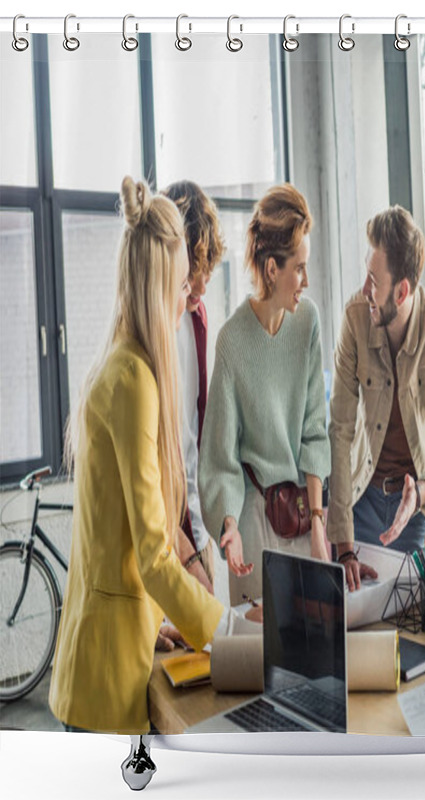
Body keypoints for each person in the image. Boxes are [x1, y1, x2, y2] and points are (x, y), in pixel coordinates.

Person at [49, 177, 257, 734]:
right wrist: (229, 630)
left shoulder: (115, 364)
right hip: (107, 683)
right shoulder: (136, 379)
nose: (187, 295)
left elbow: (118, 547)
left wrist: (153, 618)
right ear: (160, 281)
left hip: (100, 658)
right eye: (183, 281)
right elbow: (153, 553)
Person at [199, 183, 331, 607]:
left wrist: (318, 522)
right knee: (259, 662)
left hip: (302, 514)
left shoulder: (307, 321)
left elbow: (314, 428)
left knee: (312, 651)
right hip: (254, 524)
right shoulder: (232, 343)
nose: (305, 281)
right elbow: (220, 458)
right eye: (299, 268)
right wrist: (229, 526)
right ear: (272, 269)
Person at [327, 206, 425, 591]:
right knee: (355, 623)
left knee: (413, 618)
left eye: (374, 280)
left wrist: (420, 493)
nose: (365, 290)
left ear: (402, 290)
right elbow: (339, 429)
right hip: (361, 499)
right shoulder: (355, 318)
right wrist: (343, 544)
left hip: (414, 509)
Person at [161, 180, 225, 597]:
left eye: (207, 270)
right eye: (195, 268)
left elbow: (200, 436)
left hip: (196, 530)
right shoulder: (156, 331)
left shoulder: (198, 320)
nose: (201, 285)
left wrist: (206, 534)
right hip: (166, 538)